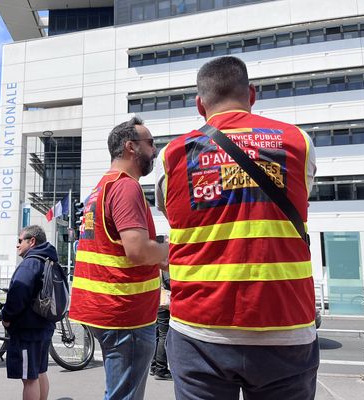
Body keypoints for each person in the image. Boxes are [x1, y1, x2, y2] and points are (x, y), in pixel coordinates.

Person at [155, 56, 319, 400]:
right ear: (252, 94)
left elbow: (172, 214)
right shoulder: (298, 142)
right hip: (285, 325)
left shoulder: (172, 155)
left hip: (200, 329)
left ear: (200, 105)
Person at [69, 117, 169, 400]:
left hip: (107, 309)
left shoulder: (101, 188)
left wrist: (155, 248)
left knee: (118, 392)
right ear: (130, 147)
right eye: (151, 144)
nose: (155, 151)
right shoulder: (126, 187)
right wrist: (167, 252)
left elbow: (116, 245)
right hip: (126, 314)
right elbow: (136, 250)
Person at [1, 225, 57, 400]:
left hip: (28, 330)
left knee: (29, 378)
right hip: (44, 325)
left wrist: (6, 317)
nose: (17, 245)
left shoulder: (30, 263)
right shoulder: (49, 260)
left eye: (19, 241)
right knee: (40, 371)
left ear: (31, 241)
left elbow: (18, 294)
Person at [150, 269, 171, 381]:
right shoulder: (164, 263)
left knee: (157, 334)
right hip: (164, 300)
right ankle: (161, 369)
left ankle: (154, 366)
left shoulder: (154, 261)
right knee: (164, 334)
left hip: (155, 298)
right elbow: (168, 281)